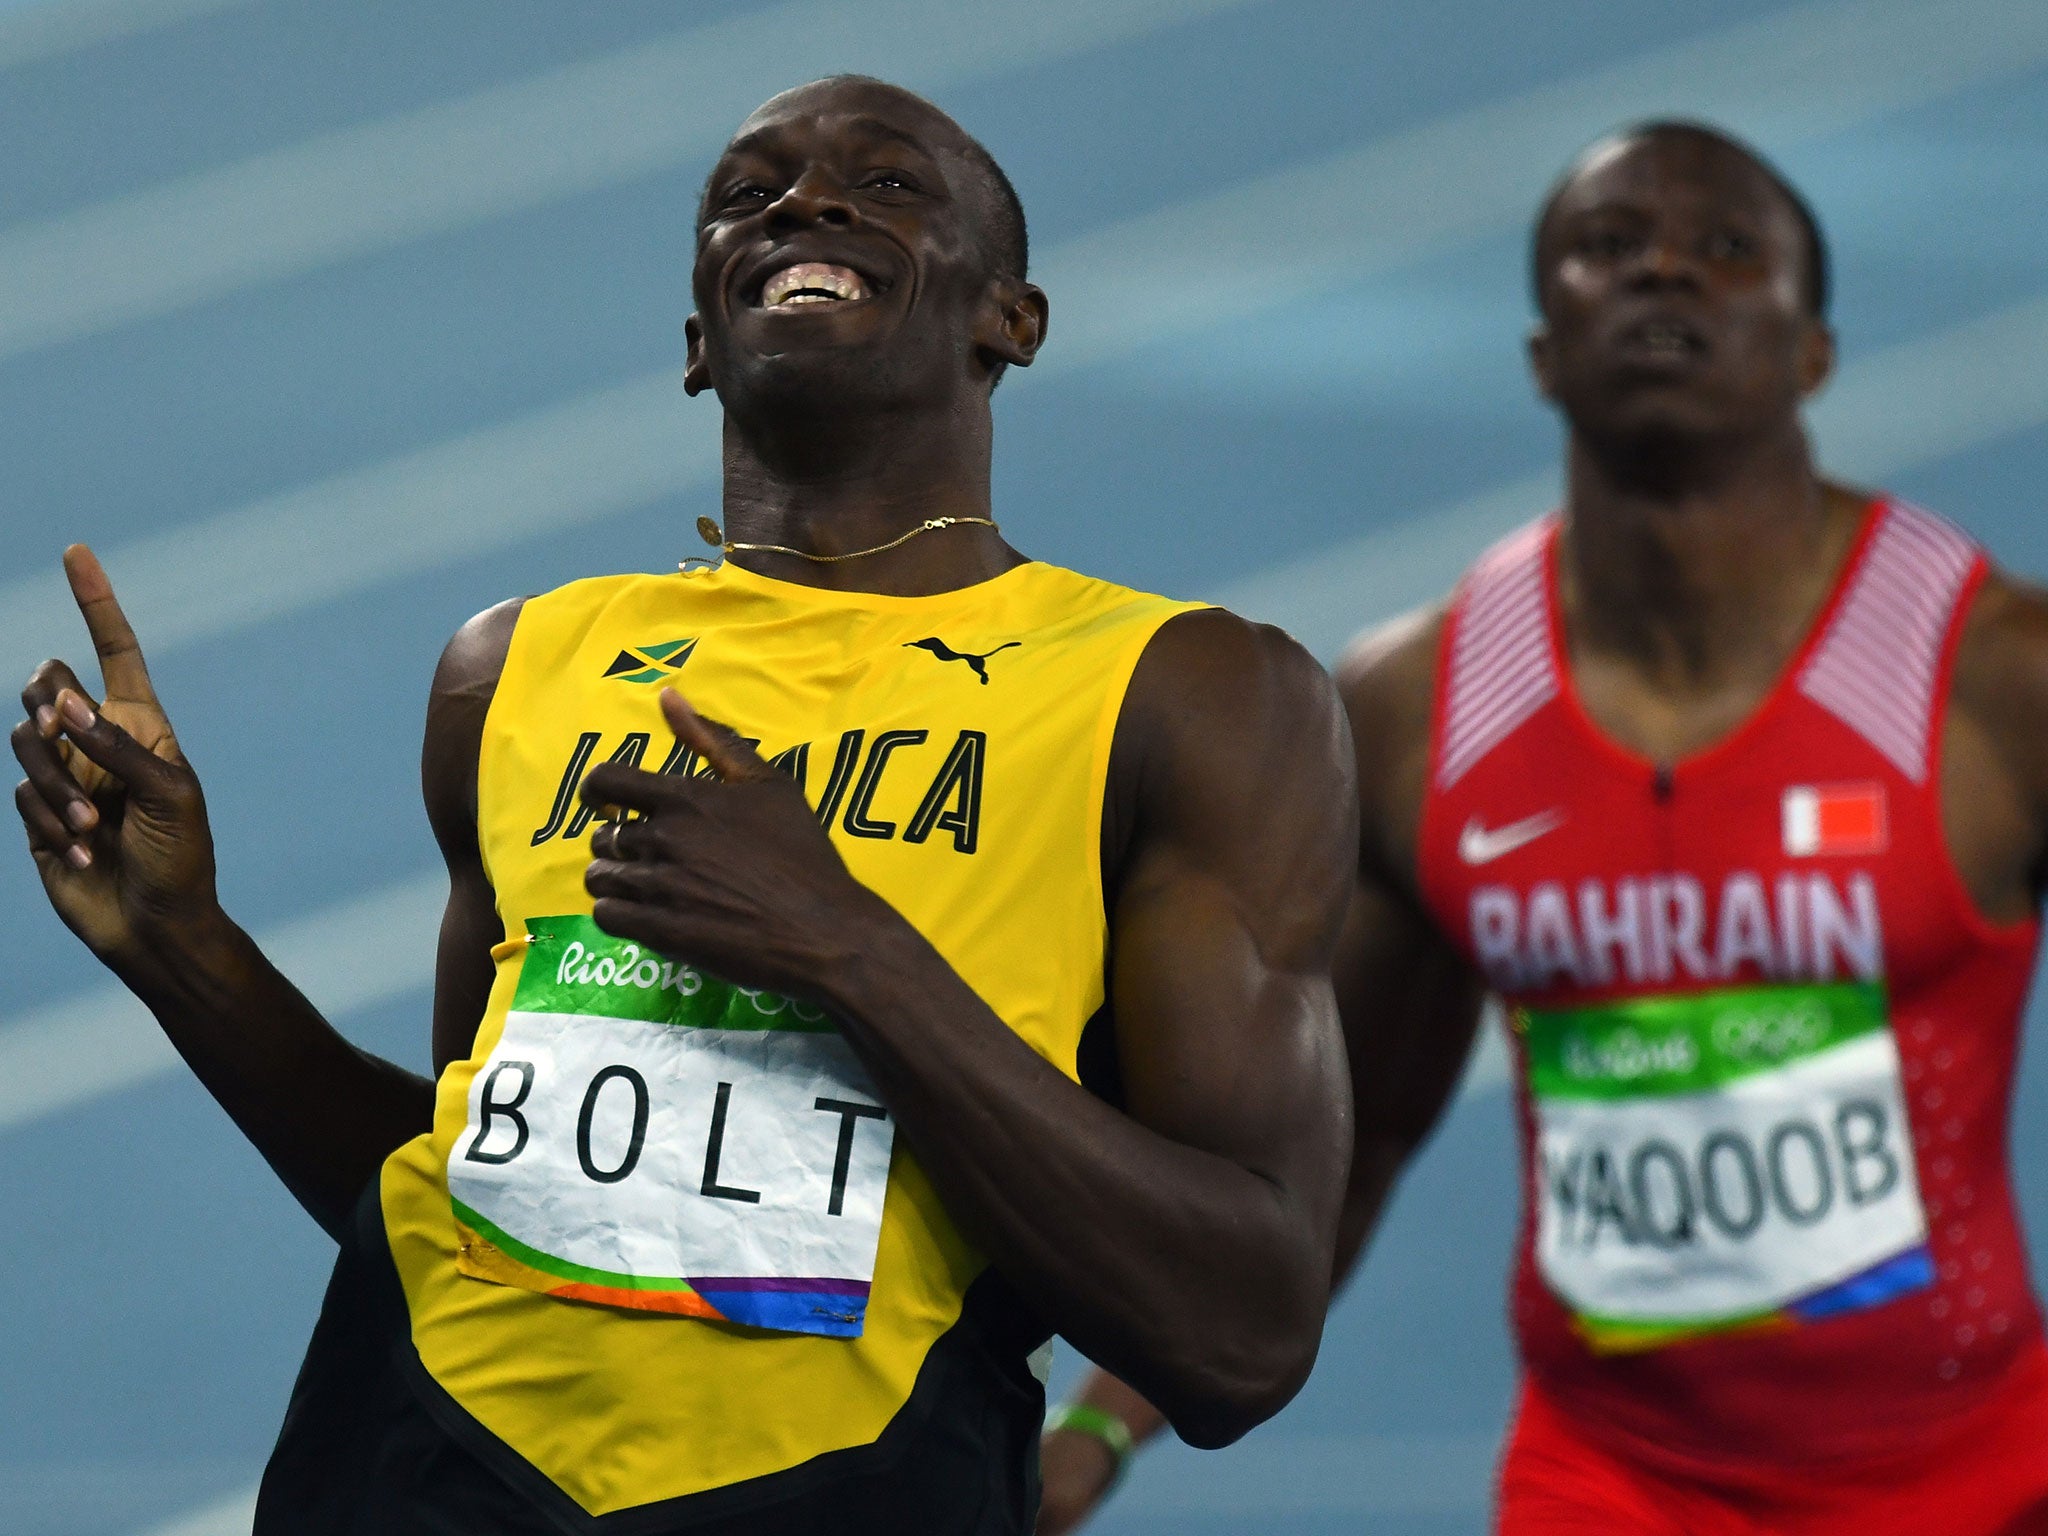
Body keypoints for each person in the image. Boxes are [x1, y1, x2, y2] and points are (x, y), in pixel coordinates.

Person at [11, 77, 1357, 1535]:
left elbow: (1245, 1333)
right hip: (407, 1462)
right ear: (699, 345)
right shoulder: (515, 667)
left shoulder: (1186, 696)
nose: (807, 203)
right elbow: (494, 1204)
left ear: (1009, 320)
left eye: (891, 185)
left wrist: (849, 951)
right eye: (750, 193)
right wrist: (185, 952)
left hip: (842, 1488)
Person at [1038, 121, 2048, 1536]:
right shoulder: (1421, 708)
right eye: (1610, 249)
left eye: (1726, 252)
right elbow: (1346, 1141)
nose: (1666, 277)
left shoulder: (1999, 678)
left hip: (1975, 1477)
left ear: (1814, 350)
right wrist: (1095, 1428)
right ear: (1542, 352)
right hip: (1608, 1483)